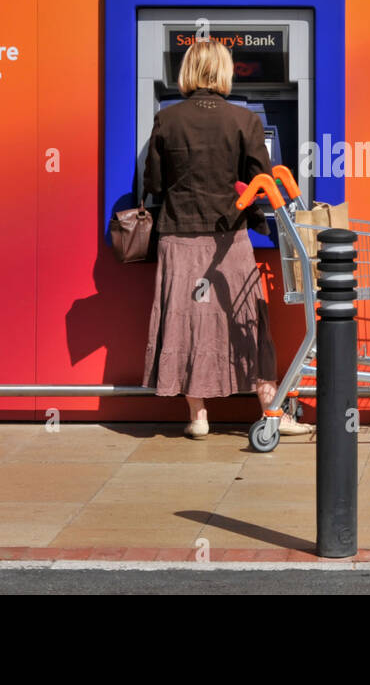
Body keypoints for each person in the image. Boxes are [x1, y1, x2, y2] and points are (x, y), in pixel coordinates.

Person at [142, 38, 313, 439]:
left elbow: (153, 182)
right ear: (224, 71)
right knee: (248, 320)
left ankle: (198, 416)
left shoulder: (167, 119)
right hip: (228, 236)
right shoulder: (245, 120)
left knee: (185, 322)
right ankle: (271, 411)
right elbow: (262, 180)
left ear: (187, 71)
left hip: (178, 235)